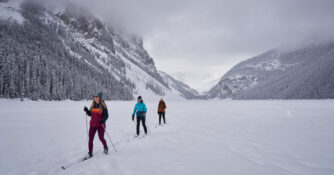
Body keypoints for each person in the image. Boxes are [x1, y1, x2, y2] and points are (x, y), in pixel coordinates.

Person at [83, 92, 109, 158]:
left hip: (100, 125)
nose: (95, 98)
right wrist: (87, 111)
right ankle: (90, 152)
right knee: (90, 139)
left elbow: (106, 115)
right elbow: (90, 114)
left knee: (101, 138)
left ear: (100, 98)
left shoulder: (103, 105)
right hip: (92, 125)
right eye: (95, 97)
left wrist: (103, 120)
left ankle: (105, 147)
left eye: (97, 97)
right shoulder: (93, 105)